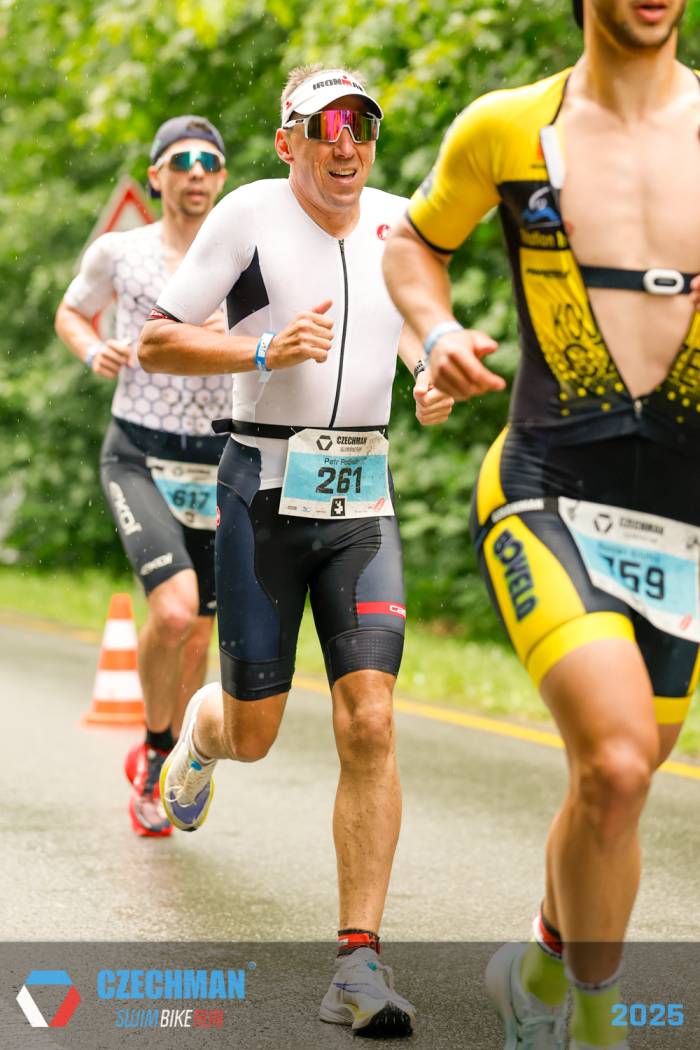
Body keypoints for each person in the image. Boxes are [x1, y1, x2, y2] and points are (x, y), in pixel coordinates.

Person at [382, 2, 700, 1047]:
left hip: (684, 518)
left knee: (617, 785)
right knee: (616, 763)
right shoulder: (506, 128)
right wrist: (434, 332)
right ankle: (589, 1026)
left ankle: (534, 971)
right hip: (546, 485)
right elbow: (411, 243)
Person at [138, 64, 453, 1037]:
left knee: (371, 721)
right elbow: (156, 341)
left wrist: (428, 370)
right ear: (289, 142)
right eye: (324, 128)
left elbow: (413, 327)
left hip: (363, 501)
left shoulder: (401, 223)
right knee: (256, 733)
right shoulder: (248, 214)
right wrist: (265, 350)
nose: (346, 144)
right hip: (262, 493)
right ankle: (200, 737)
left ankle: (358, 965)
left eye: (361, 125)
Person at [55, 116, 231, 838]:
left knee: (199, 634)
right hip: (139, 452)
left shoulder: (245, 255)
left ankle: (173, 754)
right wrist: (91, 348)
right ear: (157, 176)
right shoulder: (120, 252)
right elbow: (72, 312)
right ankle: (156, 752)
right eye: (182, 161)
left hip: (218, 459)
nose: (196, 174)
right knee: (174, 612)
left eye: (209, 163)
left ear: (221, 177)